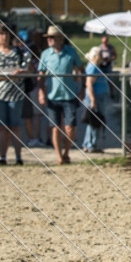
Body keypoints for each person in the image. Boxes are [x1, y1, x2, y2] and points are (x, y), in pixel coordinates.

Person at [37, 25, 83, 165]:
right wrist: (41, 91)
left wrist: (82, 87)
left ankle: (67, 152)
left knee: (70, 127)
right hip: (52, 95)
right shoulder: (45, 54)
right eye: (48, 37)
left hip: (69, 95)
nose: (49, 40)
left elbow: (81, 69)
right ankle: (59, 156)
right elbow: (40, 75)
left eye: (52, 37)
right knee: (55, 127)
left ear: (60, 38)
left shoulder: (71, 52)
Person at [0, 23, 29, 165]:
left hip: (16, 95)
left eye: (6, 34)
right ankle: (3, 157)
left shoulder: (19, 52)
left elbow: (28, 69)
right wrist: (11, 75)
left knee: (15, 126)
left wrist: (21, 73)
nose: (4, 37)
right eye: (1, 34)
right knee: (2, 128)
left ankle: (18, 157)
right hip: (0, 95)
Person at [81, 47, 110, 153]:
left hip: (98, 97)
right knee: (95, 121)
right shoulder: (93, 67)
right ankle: (91, 144)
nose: (102, 57)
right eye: (100, 55)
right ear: (95, 57)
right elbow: (89, 84)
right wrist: (93, 99)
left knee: (93, 122)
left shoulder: (95, 67)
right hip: (96, 97)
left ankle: (89, 144)